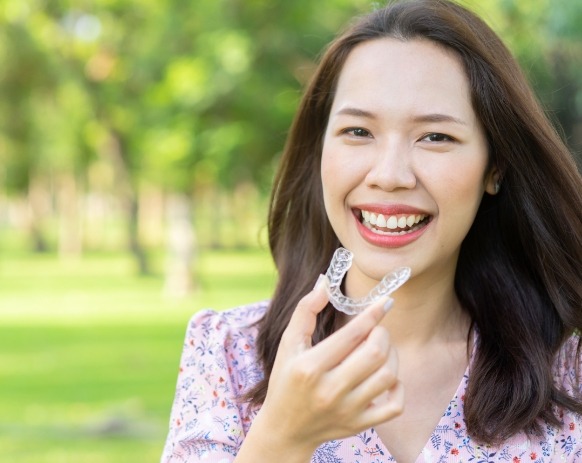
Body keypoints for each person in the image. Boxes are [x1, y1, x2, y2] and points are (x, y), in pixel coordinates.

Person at [161, 0, 582, 461]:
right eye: (359, 131)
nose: (389, 174)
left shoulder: (567, 368)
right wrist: (283, 436)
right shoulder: (227, 353)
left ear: (494, 166)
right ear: (320, 149)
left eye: (435, 137)